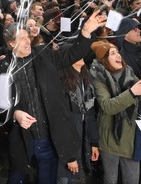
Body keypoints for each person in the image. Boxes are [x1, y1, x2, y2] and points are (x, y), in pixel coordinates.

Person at [0, 10, 106, 184]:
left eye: (27, 37)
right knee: (16, 177)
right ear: (11, 43)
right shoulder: (4, 67)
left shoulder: (44, 55)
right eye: (21, 39)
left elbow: (72, 54)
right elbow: (3, 104)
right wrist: (15, 114)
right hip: (23, 139)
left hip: (49, 137)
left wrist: (85, 32)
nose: (27, 41)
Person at [90, 41, 141, 184]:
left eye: (118, 52)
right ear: (104, 59)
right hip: (109, 139)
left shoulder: (130, 74)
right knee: (111, 179)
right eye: (112, 53)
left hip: (130, 139)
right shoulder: (99, 77)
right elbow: (108, 106)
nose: (118, 55)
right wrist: (132, 92)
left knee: (132, 180)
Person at [57, 55, 100, 184]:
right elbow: (60, 122)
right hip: (66, 147)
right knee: (63, 179)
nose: (80, 55)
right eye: (76, 53)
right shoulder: (61, 82)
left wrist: (94, 143)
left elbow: (90, 114)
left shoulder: (86, 79)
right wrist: (69, 156)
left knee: (73, 178)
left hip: (80, 141)